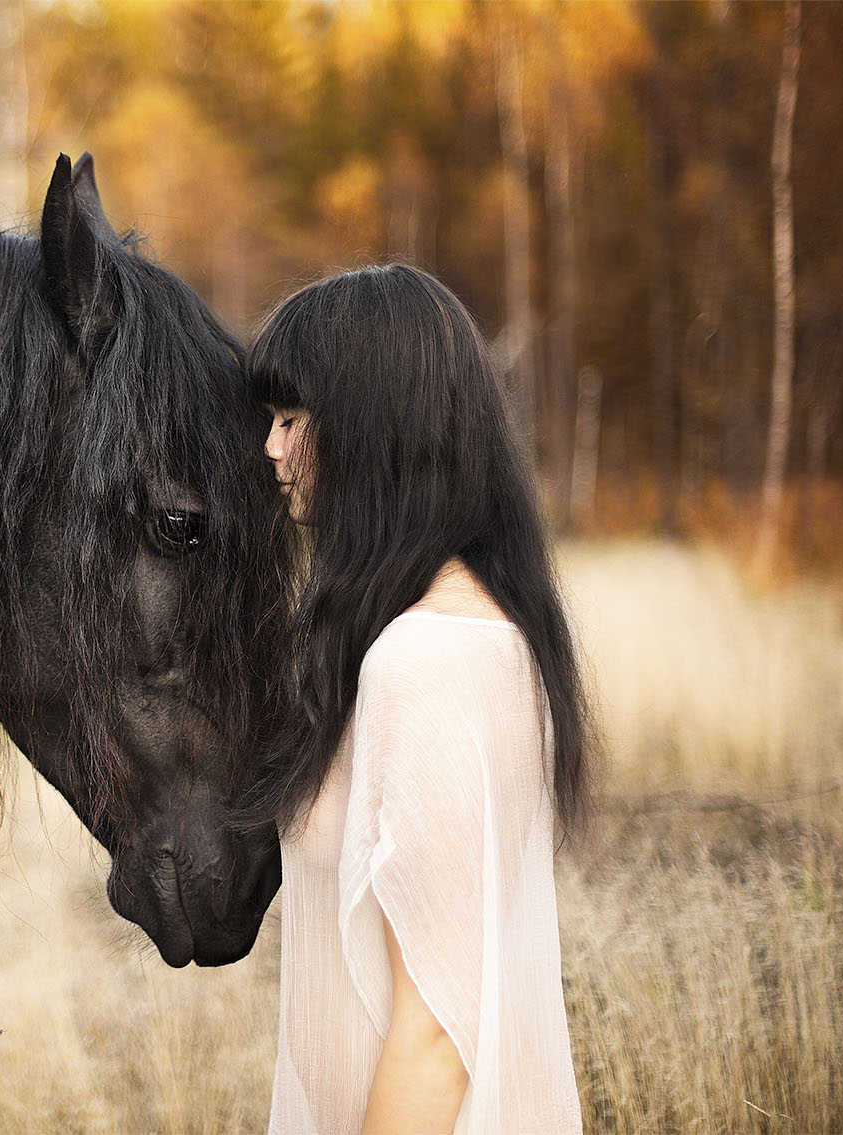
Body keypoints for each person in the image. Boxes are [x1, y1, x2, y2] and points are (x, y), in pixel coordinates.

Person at [245, 264, 590, 1134]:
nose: (270, 448)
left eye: (292, 418)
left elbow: (435, 1031)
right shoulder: (488, 629)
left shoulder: (423, 659)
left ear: (371, 423)